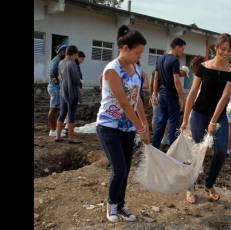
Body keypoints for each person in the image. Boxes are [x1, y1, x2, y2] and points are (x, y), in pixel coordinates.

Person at [96, 25, 149, 223]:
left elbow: (137, 100)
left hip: (127, 128)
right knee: (119, 169)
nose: (139, 57)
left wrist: (144, 124)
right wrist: (141, 128)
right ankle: (111, 205)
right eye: (137, 52)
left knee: (126, 169)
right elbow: (125, 103)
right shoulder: (112, 70)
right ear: (125, 48)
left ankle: (121, 206)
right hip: (109, 127)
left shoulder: (136, 69)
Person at [180, 33, 231, 203]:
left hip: (219, 116)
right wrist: (185, 119)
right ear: (216, 48)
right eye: (223, 49)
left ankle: (209, 184)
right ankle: (190, 187)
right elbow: (192, 93)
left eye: (229, 50)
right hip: (198, 113)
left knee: (221, 151)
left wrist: (214, 121)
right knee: (197, 151)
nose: (226, 52)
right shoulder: (203, 67)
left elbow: (225, 96)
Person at [151, 38, 186, 149]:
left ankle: (154, 147)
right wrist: (182, 98)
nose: (183, 52)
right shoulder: (174, 60)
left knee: (160, 122)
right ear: (177, 47)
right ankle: (173, 150)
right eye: (182, 49)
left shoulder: (160, 58)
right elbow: (176, 81)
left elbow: (156, 77)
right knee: (174, 123)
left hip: (161, 95)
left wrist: (154, 93)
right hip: (171, 96)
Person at [54, 45, 83, 143]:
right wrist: (80, 83)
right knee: (71, 115)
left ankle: (57, 136)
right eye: (76, 55)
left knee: (62, 113)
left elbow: (59, 77)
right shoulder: (72, 64)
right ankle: (71, 138)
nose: (76, 57)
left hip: (62, 91)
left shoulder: (60, 63)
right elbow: (76, 79)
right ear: (74, 54)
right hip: (72, 92)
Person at [47, 44, 67, 137]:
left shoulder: (59, 60)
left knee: (56, 109)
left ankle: (55, 129)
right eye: (65, 50)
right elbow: (53, 72)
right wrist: (57, 80)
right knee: (53, 109)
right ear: (61, 52)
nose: (67, 52)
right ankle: (53, 130)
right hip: (54, 88)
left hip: (56, 87)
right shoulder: (56, 61)